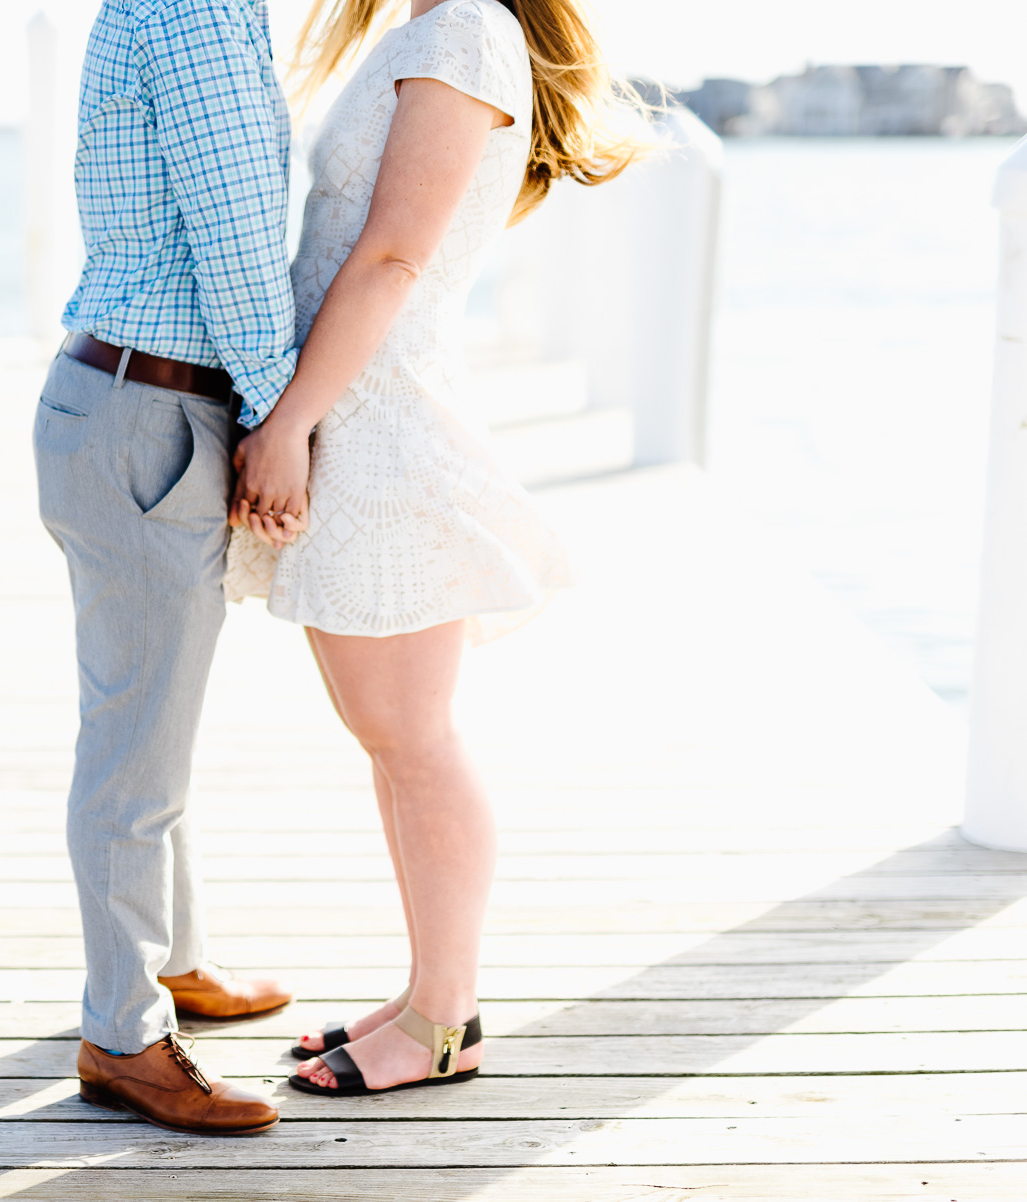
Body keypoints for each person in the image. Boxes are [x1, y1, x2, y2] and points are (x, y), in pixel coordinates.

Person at [226, 0, 647, 1096]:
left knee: (414, 738)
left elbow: (396, 255)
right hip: (357, 413)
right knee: (395, 740)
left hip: (377, 425)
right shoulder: (433, 28)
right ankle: (424, 997)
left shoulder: (461, 29)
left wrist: (285, 425)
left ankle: (445, 1019)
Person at [32, 0, 303, 1136]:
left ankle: (168, 963)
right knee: (136, 742)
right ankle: (125, 1036)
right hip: (156, 410)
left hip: (125, 396)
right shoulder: (196, 7)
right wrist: (286, 411)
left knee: (149, 715)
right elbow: (239, 240)